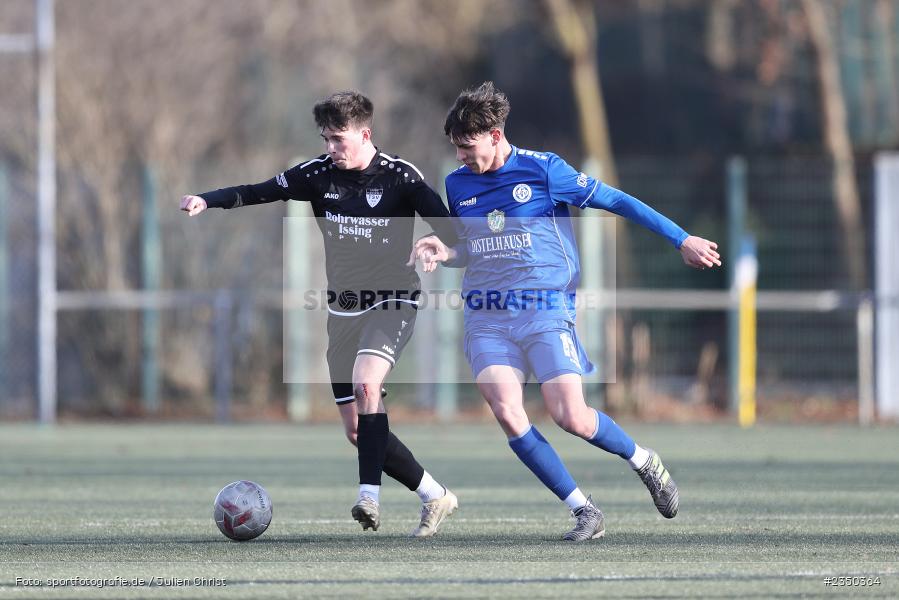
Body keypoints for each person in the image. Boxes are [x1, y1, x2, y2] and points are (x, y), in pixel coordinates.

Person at [411, 81, 721, 541]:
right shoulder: (458, 183)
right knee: (506, 408)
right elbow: (474, 247)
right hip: (487, 314)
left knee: (570, 416)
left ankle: (643, 460)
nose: (460, 156)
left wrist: (682, 239)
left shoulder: (543, 170)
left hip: (545, 309)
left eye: (467, 146)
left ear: (495, 135)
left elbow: (617, 200)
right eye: (456, 147)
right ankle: (583, 511)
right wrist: (445, 250)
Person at [181, 90, 458, 537]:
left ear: (365, 134)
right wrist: (207, 199)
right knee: (358, 431)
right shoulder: (316, 174)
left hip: (393, 300)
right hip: (342, 311)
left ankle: (369, 496)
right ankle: (434, 494)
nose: (330, 147)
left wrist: (440, 248)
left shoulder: (401, 178)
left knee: (368, 384)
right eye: (326, 138)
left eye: (338, 139)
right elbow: (258, 191)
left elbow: (451, 232)